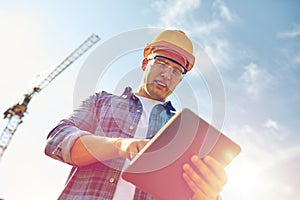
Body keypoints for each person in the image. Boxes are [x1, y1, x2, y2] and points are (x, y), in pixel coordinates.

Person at [45, 30, 227, 200]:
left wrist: (208, 194)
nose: (167, 75)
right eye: (162, 63)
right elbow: (58, 140)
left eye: (176, 71)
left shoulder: (183, 132)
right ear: (144, 64)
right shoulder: (102, 102)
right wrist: (119, 145)